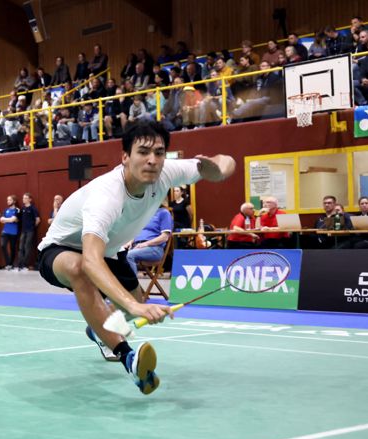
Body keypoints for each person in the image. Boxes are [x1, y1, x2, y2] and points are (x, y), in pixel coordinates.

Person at [37, 120, 235, 394]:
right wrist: (132, 305)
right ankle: (127, 357)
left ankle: (99, 329)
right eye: (143, 152)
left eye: (159, 152)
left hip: (110, 251)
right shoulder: (107, 195)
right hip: (60, 250)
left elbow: (226, 161)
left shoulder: (166, 172)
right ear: (125, 157)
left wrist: (218, 168)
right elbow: (91, 260)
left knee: (134, 305)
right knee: (80, 268)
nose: (152, 160)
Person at [125, 204, 173, 274]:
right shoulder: (144, 214)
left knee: (129, 255)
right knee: (115, 255)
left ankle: (131, 281)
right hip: (136, 246)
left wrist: (145, 244)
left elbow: (164, 237)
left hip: (154, 248)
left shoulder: (163, 213)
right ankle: (119, 281)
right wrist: (129, 242)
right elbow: (137, 232)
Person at [16, 193, 40, 271]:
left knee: (27, 247)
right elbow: (18, 219)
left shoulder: (33, 208)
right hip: (23, 230)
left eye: (26, 198)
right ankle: (20, 264)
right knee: (21, 247)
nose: (24, 199)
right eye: (23, 198)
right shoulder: (22, 209)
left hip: (30, 230)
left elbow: (37, 220)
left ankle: (25, 264)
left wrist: (32, 227)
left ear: (30, 199)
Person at [0, 195, 20, 270]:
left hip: (13, 232)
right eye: (7, 200)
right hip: (5, 231)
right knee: (3, 245)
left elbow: (13, 219)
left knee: (12, 248)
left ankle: (11, 264)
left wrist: (6, 219)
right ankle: (7, 263)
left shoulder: (17, 210)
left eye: (10, 200)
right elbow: (1, 219)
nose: (8, 201)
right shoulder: (6, 210)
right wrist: (9, 219)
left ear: (14, 201)